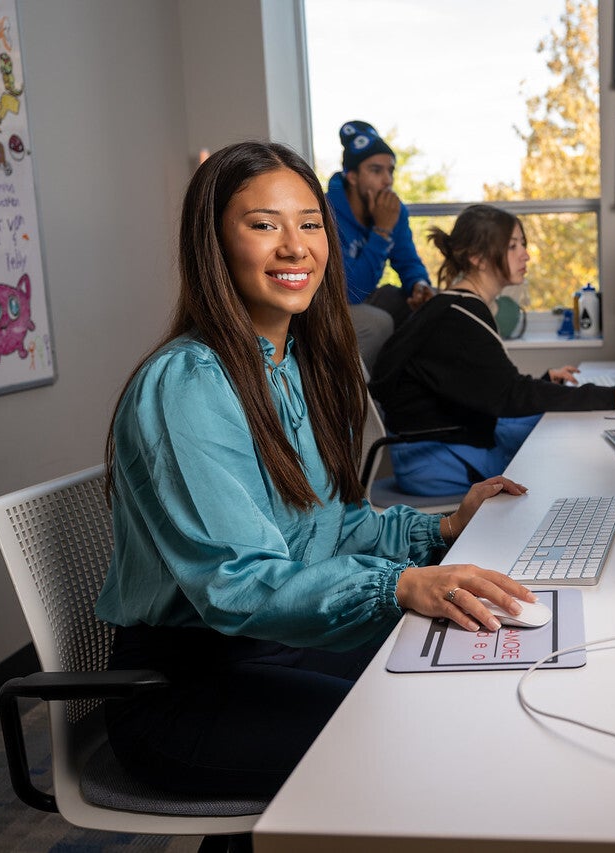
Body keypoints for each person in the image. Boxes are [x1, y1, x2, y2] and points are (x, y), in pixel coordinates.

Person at [96, 142, 537, 800]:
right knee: (423, 745)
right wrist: (398, 586)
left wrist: (440, 530)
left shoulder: (296, 365)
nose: (295, 246)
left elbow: (331, 527)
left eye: (308, 223)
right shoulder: (187, 383)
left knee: (470, 678)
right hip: (184, 690)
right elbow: (236, 586)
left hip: (276, 645)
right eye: (263, 224)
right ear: (212, 242)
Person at [371, 204, 615, 496]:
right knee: (567, 454)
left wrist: (545, 381)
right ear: (478, 257)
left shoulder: (457, 305)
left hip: (449, 440)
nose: (526, 255)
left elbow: (486, 387)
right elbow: (511, 395)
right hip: (435, 459)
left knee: (562, 427)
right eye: (513, 245)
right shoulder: (457, 317)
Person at [326, 120, 434, 372]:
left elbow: (408, 262)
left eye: (390, 171)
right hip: (330, 305)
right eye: (376, 170)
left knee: (436, 305)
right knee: (379, 323)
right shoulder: (325, 211)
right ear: (351, 176)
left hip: (365, 296)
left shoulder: (394, 211)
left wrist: (419, 285)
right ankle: (365, 401)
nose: (387, 180)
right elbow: (349, 291)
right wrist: (382, 230)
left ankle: (413, 393)